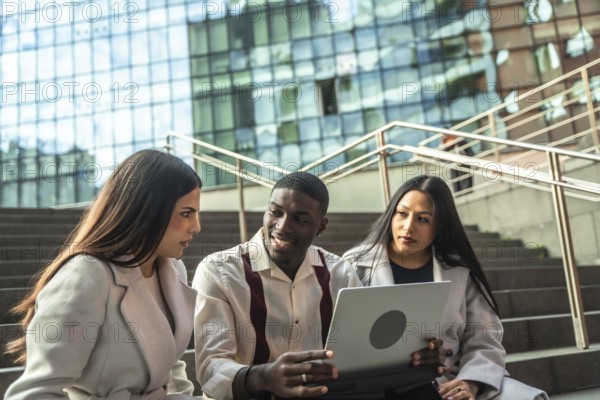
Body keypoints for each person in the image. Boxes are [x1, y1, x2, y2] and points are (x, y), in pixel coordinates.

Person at [192, 172, 444, 400]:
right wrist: (263, 376)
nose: (282, 226)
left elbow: (361, 354)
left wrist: (416, 358)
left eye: (300, 219)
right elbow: (210, 368)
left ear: (321, 226)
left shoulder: (340, 272)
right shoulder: (218, 271)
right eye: (275, 212)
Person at [4, 149, 202, 400]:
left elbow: (169, 364)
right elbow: (35, 393)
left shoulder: (173, 269)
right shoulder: (86, 275)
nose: (196, 227)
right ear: (148, 209)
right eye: (186, 213)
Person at [343, 175, 548, 400]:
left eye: (423, 219)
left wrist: (471, 382)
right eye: (402, 214)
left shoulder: (459, 271)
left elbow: (484, 338)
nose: (408, 227)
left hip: (451, 380)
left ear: (439, 226)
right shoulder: (354, 265)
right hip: (380, 385)